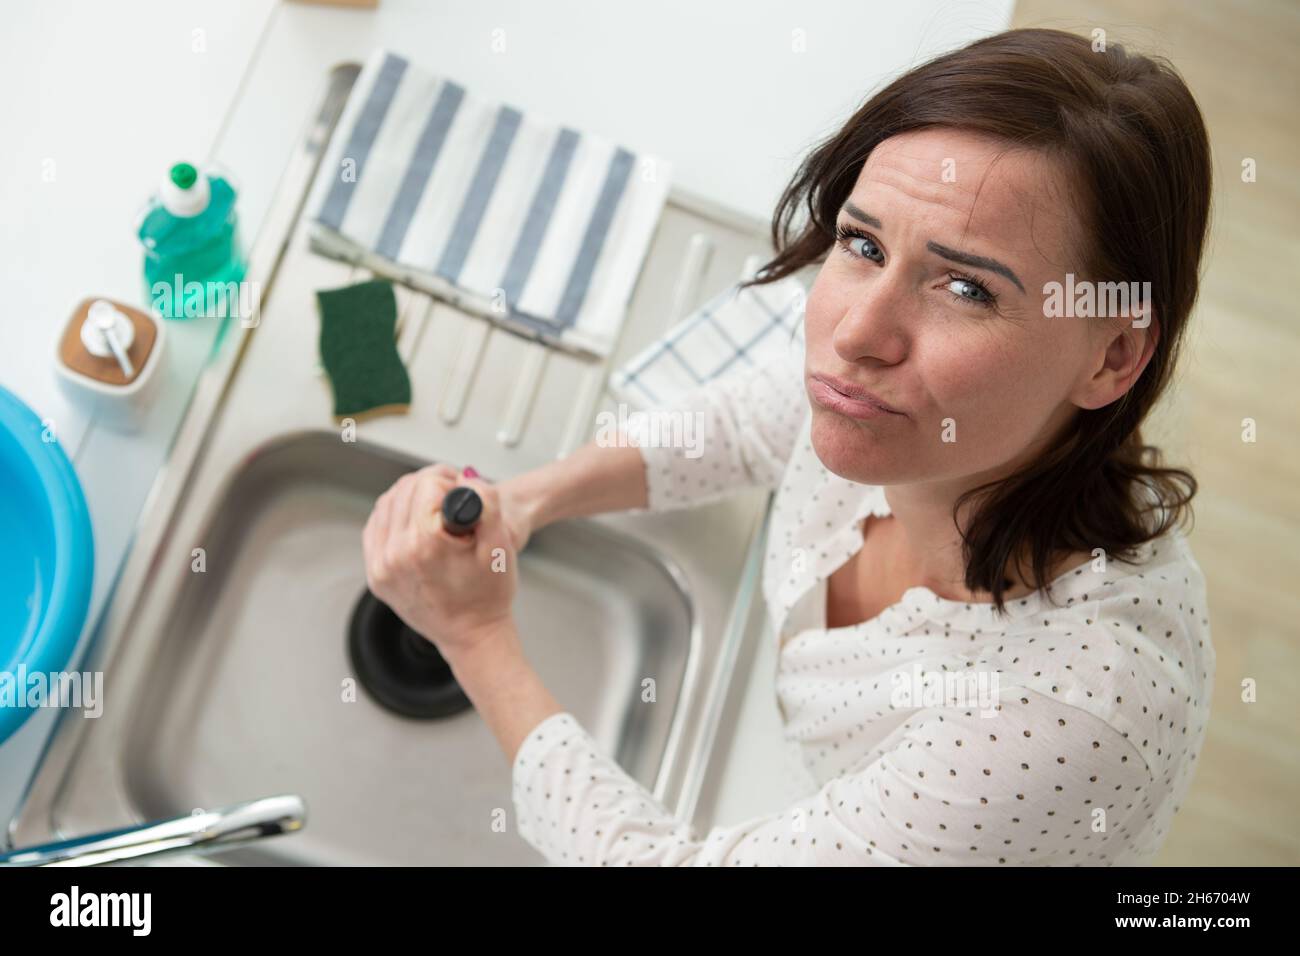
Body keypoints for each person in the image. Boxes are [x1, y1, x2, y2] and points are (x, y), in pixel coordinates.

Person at [362, 27, 1214, 866]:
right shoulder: (908, 422)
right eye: (864, 244)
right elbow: (740, 422)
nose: (856, 331)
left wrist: (473, 638)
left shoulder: (1060, 721)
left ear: (1112, 356)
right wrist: (526, 502)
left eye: (965, 287)